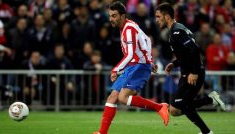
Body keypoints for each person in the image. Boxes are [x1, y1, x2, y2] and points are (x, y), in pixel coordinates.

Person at [94, 2, 169, 134]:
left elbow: (130, 54)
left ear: (123, 16)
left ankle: (159, 107)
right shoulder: (128, 27)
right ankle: (102, 133)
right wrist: (150, 60)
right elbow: (146, 39)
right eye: (110, 16)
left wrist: (115, 69)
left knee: (122, 97)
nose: (111, 19)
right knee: (112, 97)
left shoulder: (129, 29)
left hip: (139, 66)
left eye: (114, 16)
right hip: (134, 65)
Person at [155, 3, 226, 134]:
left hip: (192, 73)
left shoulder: (177, 31)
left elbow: (194, 49)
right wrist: (174, 64)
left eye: (158, 16)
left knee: (179, 104)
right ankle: (207, 122)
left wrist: (194, 72)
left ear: (167, 16)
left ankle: (209, 104)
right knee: (176, 110)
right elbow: (186, 54)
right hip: (186, 73)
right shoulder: (176, 30)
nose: (157, 19)